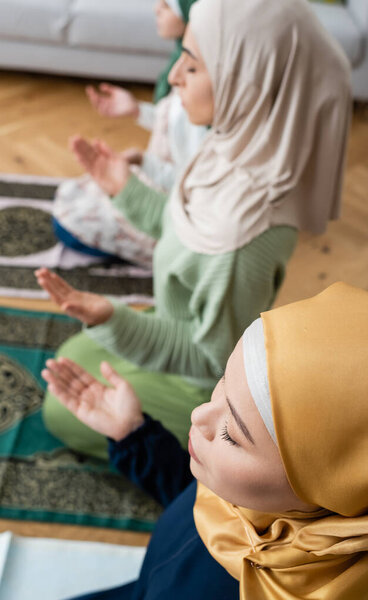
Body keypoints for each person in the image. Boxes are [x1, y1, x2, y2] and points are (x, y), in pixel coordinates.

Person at [36, 0, 351, 461]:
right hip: (180, 330)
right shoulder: (228, 147)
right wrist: (123, 188)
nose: (176, 76)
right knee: (72, 354)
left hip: (204, 386)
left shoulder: (245, 242)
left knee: (59, 411)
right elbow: (181, 227)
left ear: (247, 84)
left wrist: (112, 317)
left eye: (193, 64)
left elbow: (209, 360)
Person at [42, 281, 368, 600]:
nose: (198, 415)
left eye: (232, 433)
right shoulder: (248, 491)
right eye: (222, 383)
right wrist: (134, 436)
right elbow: (190, 498)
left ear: (333, 489)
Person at [52, 0, 207, 266]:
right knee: (73, 192)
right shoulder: (193, 76)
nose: (173, 77)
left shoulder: (205, 111)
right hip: (162, 177)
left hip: (175, 207)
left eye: (169, 5)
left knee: (67, 222)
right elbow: (174, 125)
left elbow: (187, 183)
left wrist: (139, 170)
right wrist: (136, 112)